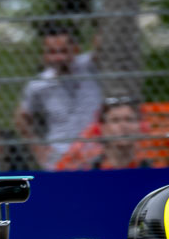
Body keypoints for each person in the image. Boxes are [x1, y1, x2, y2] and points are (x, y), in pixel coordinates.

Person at [15, 23, 104, 171]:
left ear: (75, 49)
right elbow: (21, 118)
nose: (57, 58)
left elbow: (102, 44)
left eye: (63, 51)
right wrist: (38, 150)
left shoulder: (89, 66)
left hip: (94, 153)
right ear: (44, 54)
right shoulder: (39, 84)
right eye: (51, 52)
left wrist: (100, 23)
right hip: (60, 157)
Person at [74, 97, 152, 170]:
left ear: (140, 126)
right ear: (102, 128)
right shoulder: (87, 170)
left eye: (129, 119)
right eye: (115, 120)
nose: (123, 126)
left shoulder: (153, 169)